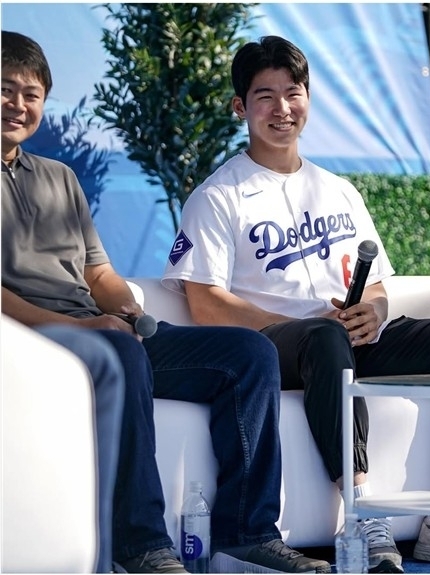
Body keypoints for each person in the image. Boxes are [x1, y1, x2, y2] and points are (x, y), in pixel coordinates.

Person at [162, 35, 430, 573]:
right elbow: (205, 302)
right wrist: (298, 323)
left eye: (293, 93)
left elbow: (374, 283)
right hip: (274, 349)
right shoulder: (218, 195)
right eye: (264, 96)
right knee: (323, 336)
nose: (282, 108)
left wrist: (373, 311)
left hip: (347, 339)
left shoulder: (339, 190)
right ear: (240, 107)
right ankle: (363, 517)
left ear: (308, 98)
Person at [1, 30, 330, 574]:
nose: (18, 105)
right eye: (6, 90)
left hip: (92, 330)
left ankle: (247, 535)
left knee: (247, 355)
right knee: (122, 353)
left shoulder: (59, 177)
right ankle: (140, 546)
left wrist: (128, 312)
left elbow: (98, 272)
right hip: (34, 339)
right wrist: (82, 328)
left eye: (31, 94)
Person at [33, 325, 125, 573]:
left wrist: (127, 311)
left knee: (239, 349)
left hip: (89, 322)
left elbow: (100, 283)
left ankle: (236, 542)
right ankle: (128, 554)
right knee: (112, 353)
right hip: (30, 326)